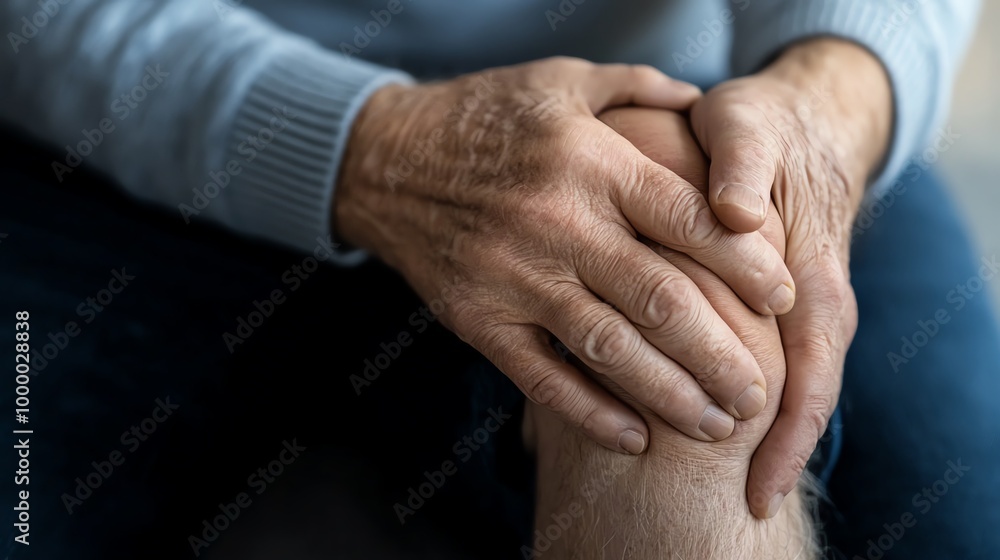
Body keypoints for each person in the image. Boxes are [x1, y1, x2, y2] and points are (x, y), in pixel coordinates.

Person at [1, 0, 997, 558]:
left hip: (677, 112)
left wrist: (825, 102)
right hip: (120, 147)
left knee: (948, 517)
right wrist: (371, 148)